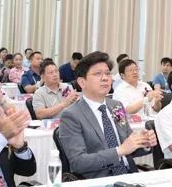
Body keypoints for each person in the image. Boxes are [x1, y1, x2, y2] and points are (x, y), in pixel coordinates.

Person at [58, 51, 156, 179]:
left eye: (107, 73)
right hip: (98, 180)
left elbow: (128, 145)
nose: (105, 78)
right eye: (98, 74)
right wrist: (119, 151)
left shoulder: (116, 106)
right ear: (82, 82)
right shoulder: (71, 115)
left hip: (129, 176)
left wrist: (143, 142)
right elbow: (78, 162)